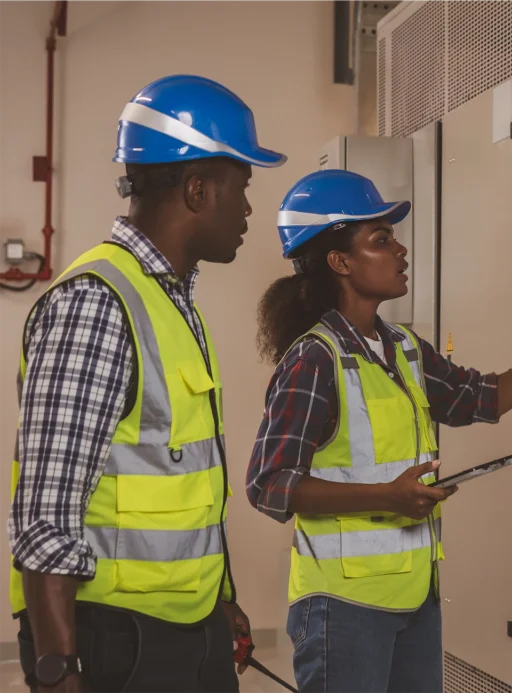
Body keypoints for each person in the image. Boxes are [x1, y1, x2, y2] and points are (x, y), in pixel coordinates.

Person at [246, 169, 512, 693]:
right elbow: (269, 484)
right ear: (339, 262)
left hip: (416, 599)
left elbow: (483, 398)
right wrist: (388, 496)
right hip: (342, 610)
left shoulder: (405, 348)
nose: (402, 251)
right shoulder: (314, 360)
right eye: (382, 240)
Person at [7, 74, 285, 693]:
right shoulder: (97, 303)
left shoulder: (170, 302)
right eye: (240, 188)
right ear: (196, 189)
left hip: (182, 627)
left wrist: (218, 603)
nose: (246, 209)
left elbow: (178, 482)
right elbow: (45, 515)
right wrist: (58, 673)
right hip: (116, 641)